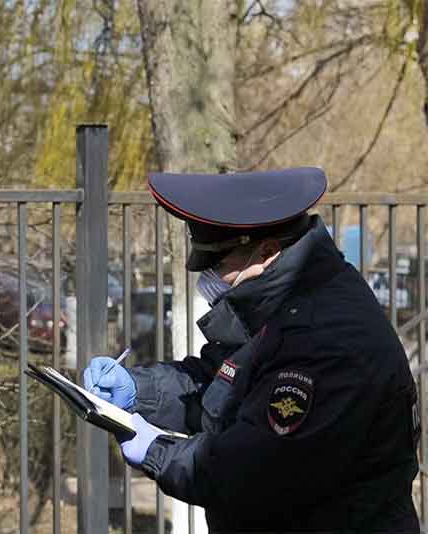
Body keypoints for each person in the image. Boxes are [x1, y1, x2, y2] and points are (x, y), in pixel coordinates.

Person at [84, 167, 420, 531]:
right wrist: (139, 390)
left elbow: (252, 470)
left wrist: (155, 450)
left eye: (219, 262)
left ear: (268, 250)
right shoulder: (284, 305)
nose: (210, 276)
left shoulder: (323, 337)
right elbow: (219, 384)